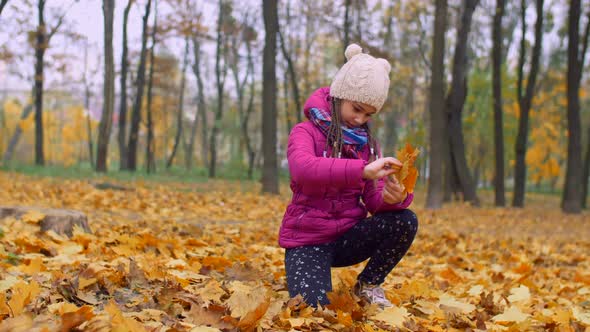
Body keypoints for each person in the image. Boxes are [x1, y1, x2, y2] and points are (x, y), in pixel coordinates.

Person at [278, 44, 418, 308]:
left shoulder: (368, 144)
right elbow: (303, 169)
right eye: (356, 108)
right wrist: (361, 171)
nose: (360, 118)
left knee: (405, 220)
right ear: (339, 95)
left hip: (348, 236)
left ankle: (369, 284)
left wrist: (394, 198)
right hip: (307, 240)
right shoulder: (305, 131)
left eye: (368, 114)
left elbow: (373, 201)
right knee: (314, 310)